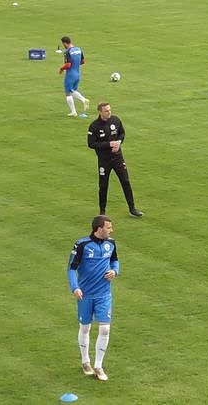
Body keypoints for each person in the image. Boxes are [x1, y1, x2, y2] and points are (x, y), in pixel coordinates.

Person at [68, 215, 120, 381]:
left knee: (105, 329)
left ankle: (98, 365)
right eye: (108, 227)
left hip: (104, 294)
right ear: (99, 228)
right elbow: (71, 268)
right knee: (85, 327)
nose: (111, 230)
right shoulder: (82, 245)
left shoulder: (111, 243)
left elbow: (115, 261)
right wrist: (75, 287)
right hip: (85, 294)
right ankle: (85, 361)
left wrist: (115, 271)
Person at [88, 102, 143, 217]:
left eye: (109, 110)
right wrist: (109, 144)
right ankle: (102, 212)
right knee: (103, 185)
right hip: (104, 160)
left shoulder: (116, 120)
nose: (109, 112)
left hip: (118, 158)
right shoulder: (94, 126)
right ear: (100, 112)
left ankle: (132, 209)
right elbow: (91, 144)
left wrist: (118, 142)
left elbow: (122, 133)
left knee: (125, 181)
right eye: (106, 111)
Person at [58, 36, 91, 116]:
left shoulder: (67, 52)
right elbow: (83, 61)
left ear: (65, 43)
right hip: (77, 73)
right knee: (73, 91)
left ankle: (73, 112)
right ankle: (84, 100)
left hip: (70, 74)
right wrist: (75, 64)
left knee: (68, 93)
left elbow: (68, 65)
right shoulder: (78, 49)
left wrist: (61, 69)